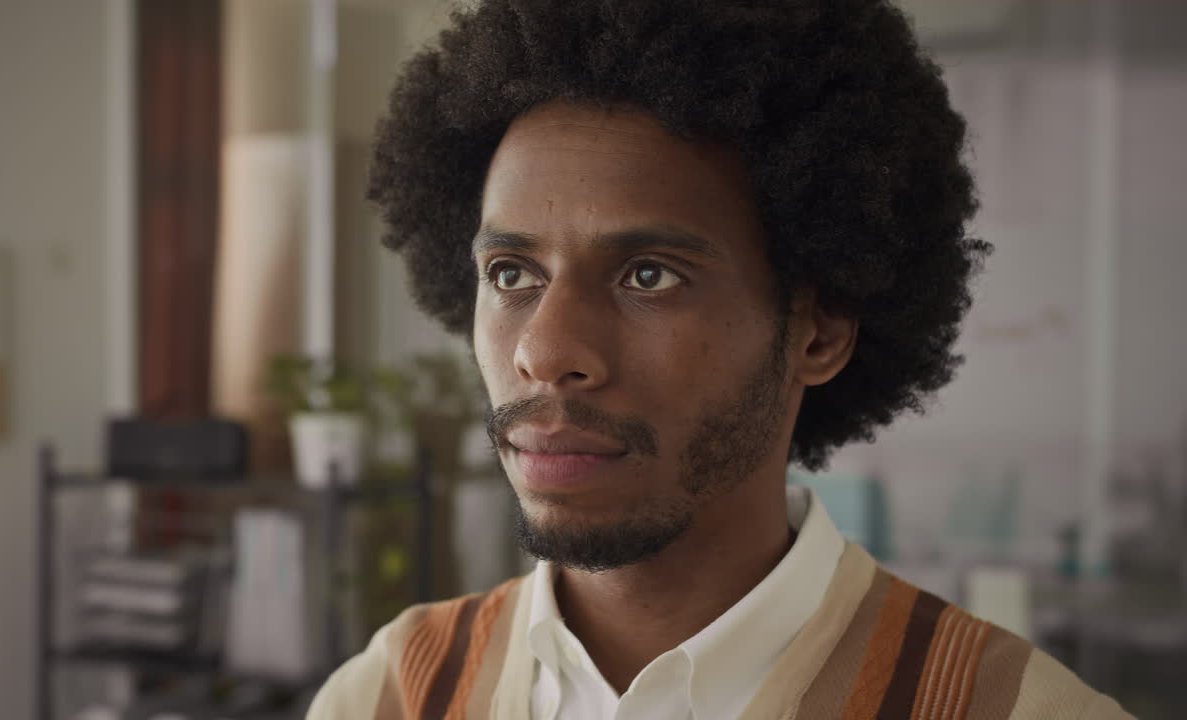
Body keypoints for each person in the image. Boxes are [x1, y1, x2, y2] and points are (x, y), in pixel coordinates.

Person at [308, 0, 1131, 717]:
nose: (545, 351)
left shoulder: (1015, 711)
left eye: (649, 275)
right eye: (511, 273)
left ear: (819, 330)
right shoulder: (390, 695)